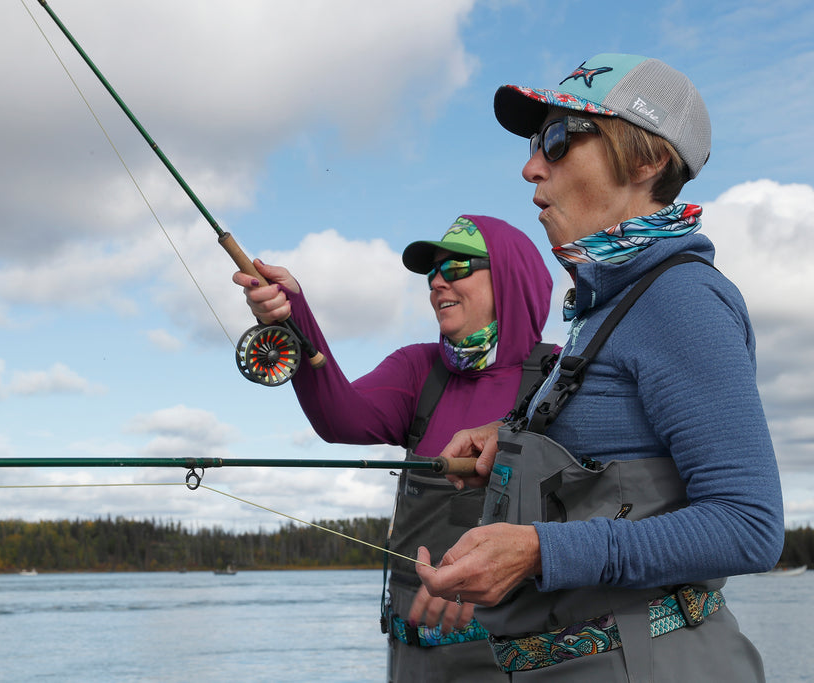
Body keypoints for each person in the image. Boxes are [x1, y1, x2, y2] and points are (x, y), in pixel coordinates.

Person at [415, 54, 785, 680]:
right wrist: (507, 443)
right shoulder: (602, 307)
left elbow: (748, 526)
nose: (531, 166)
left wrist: (538, 550)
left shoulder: (680, 299)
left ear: (648, 162)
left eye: (557, 141)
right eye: (536, 144)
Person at [233, 215, 553, 681]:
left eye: (457, 267)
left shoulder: (562, 380)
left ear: (510, 276)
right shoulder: (418, 368)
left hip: (527, 658)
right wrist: (294, 316)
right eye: (432, 273)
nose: (438, 282)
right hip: (414, 657)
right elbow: (340, 418)